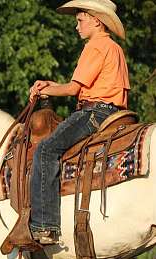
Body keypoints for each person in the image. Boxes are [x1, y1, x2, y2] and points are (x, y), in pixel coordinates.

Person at [29, 0, 130, 244]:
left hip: (94, 113)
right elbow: (78, 86)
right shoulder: (113, 47)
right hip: (113, 112)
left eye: (80, 20)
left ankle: (45, 226)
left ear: (96, 20)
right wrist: (48, 87)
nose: (77, 27)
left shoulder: (94, 46)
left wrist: (48, 90)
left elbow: (73, 89)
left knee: (45, 150)